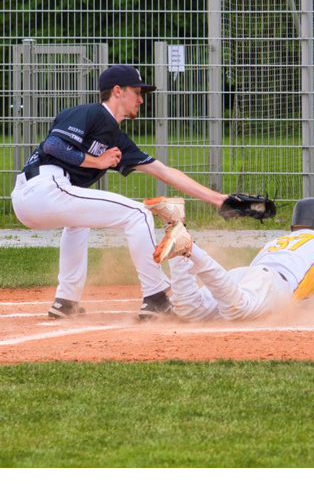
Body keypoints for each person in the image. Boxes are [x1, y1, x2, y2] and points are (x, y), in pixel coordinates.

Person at [11, 65, 230, 320]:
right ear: (117, 91)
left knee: (79, 225)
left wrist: (219, 200)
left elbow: (165, 172)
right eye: (136, 91)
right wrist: (97, 161)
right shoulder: (91, 112)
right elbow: (54, 144)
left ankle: (66, 301)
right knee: (138, 213)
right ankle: (156, 298)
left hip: (39, 197)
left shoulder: (118, 139)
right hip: (43, 188)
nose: (141, 99)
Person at [147, 197, 314, 321]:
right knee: (237, 309)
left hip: (248, 275)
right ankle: (189, 248)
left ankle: (176, 223)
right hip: (270, 285)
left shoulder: (278, 242)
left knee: (190, 309)